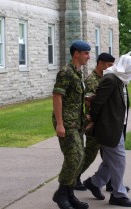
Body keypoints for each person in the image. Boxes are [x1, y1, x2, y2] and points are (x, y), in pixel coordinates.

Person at [83, 52, 131, 207]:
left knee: (109, 161)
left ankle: (94, 182)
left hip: (115, 126)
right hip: (109, 127)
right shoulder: (111, 79)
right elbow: (97, 103)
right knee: (119, 160)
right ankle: (118, 194)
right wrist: (93, 120)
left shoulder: (117, 79)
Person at [52, 40, 91, 209]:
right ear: (77, 53)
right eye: (86, 53)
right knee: (74, 157)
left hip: (77, 122)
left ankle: (69, 194)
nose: (89, 57)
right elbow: (57, 96)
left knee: (79, 157)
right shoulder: (66, 72)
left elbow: (74, 99)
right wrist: (60, 124)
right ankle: (61, 194)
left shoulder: (78, 73)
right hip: (66, 122)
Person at [75, 52, 115, 191]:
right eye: (109, 65)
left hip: (104, 122)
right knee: (90, 154)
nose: (111, 68)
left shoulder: (106, 78)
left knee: (109, 154)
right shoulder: (92, 80)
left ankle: (112, 182)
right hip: (94, 122)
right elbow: (90, 103)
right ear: (101, 64)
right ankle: (74, 178)